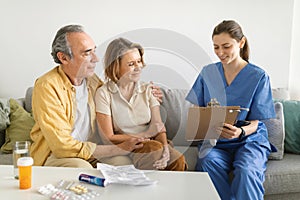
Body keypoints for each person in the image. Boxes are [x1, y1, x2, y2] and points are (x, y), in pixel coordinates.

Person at [30, 25, 162, 168]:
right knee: (82, 169)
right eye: (87, 53)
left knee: (124, 165)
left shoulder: (93, 81)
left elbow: (115, 94)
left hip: (94, 152)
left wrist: (150, 92)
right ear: (63, 57)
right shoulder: (47, 86)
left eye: (94, 51)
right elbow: (62, 146)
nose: (96, 59)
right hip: (59, 155)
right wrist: (119, 148)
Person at [186, 20, 276, 200]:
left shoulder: (258, 76)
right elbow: (197, 113)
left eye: (226, 46)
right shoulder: (208, 73)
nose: (220, 53)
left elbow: (257, 121)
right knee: (207, 162)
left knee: (246, 170)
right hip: (216, 142)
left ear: (241, 43)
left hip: (249, 140)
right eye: (216, 47)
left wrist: (240, 131)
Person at [95, 37, 187, 170]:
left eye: (139, 61)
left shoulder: (148, 89)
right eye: (131, 64)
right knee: (153, 150)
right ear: (116, 66)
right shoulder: (104, 93)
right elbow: (108, 137)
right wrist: (144, 135)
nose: (138, 67)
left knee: (178, 160)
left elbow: (158, 126)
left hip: (152, 143)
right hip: (127, 144)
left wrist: (166, 150)